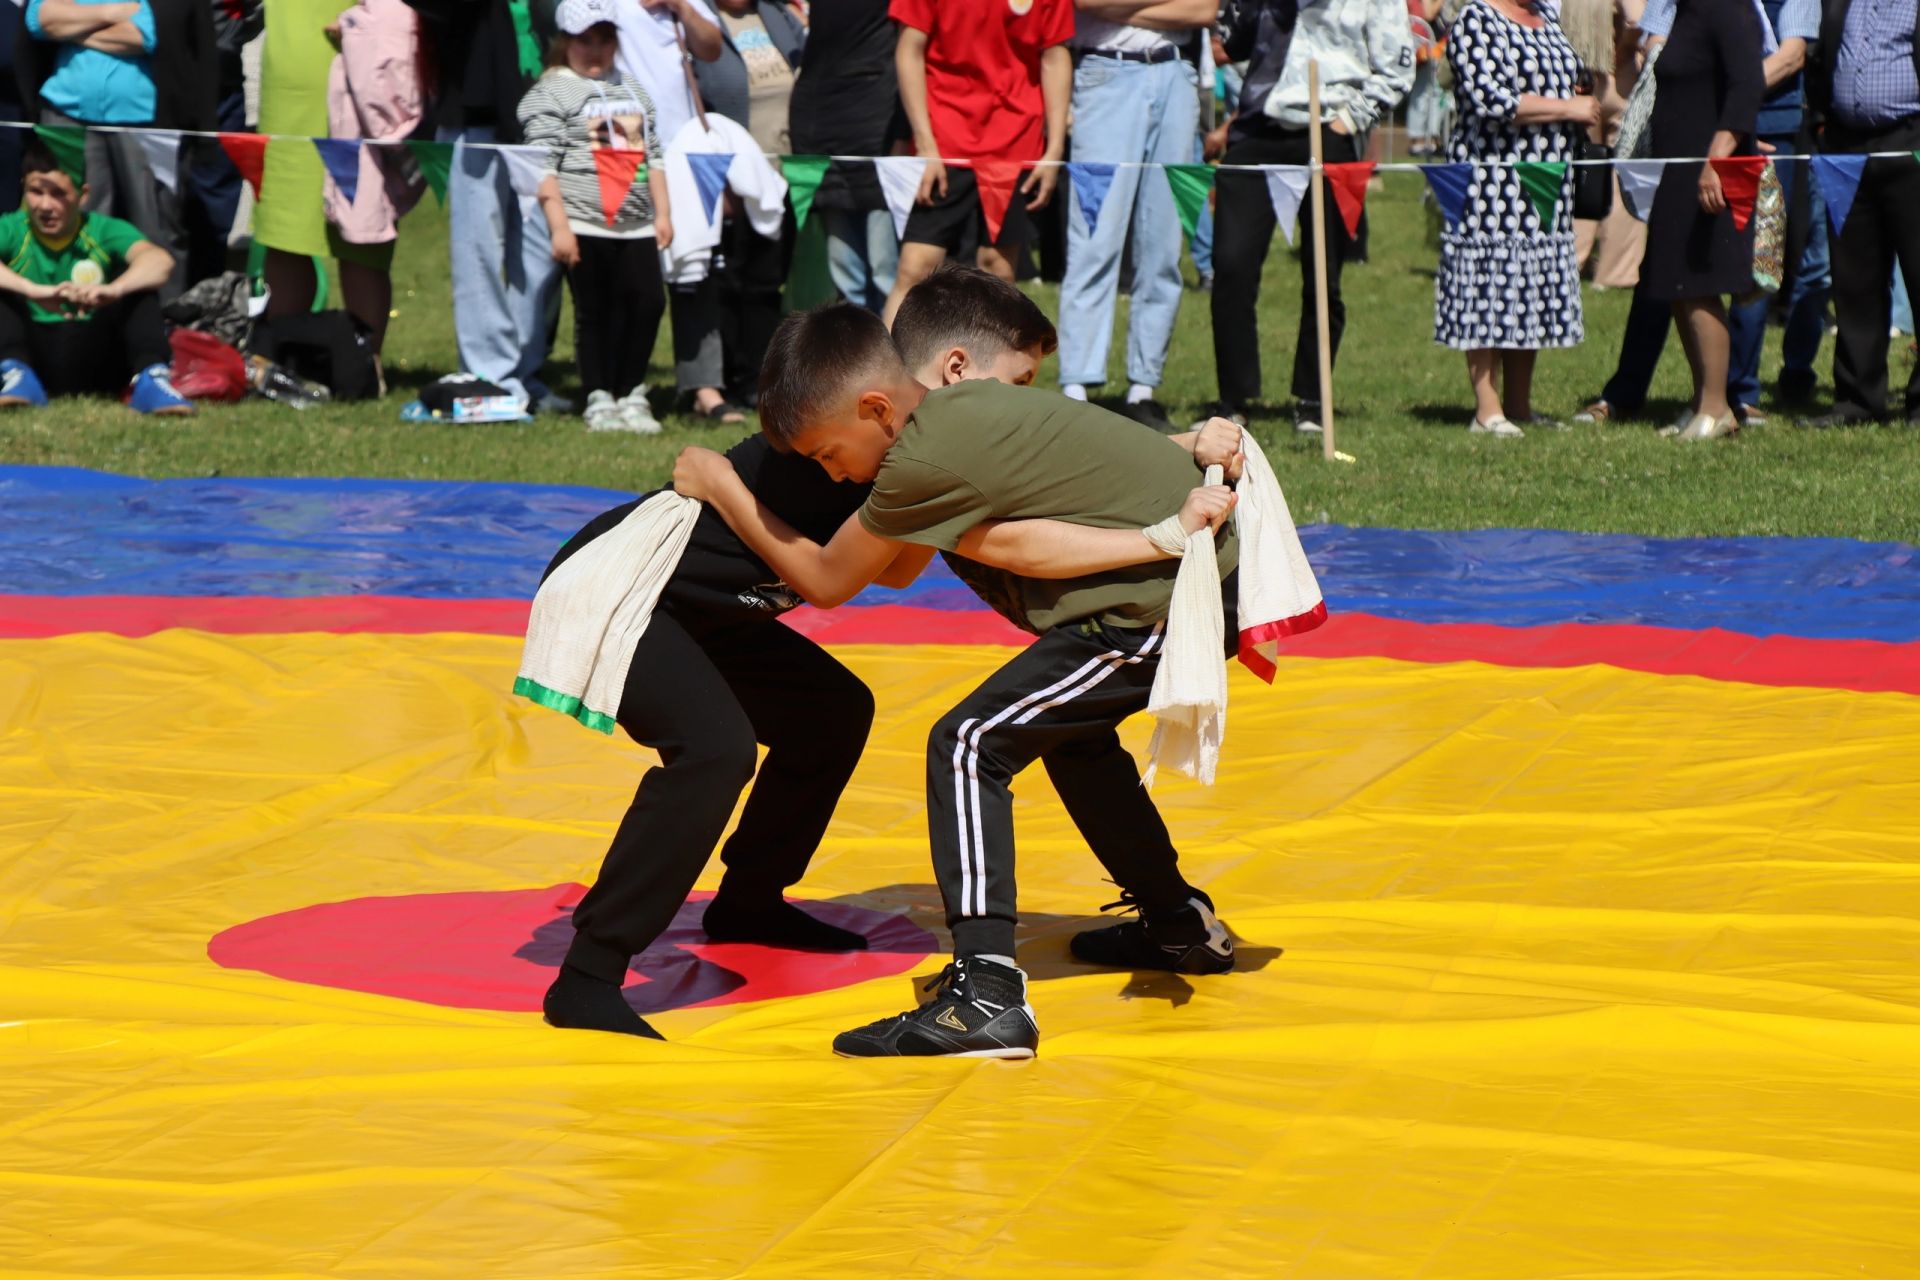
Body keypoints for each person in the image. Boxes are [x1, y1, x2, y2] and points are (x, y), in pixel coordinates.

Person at [533, 296, 1228, 1043]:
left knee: (831, 712)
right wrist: (724, 484)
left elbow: (919, 554)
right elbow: (841, 579)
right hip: (626, 586)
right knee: (715, 750)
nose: (1012, 407)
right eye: (1013, 386)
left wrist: (1183, 444)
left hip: (712, 609)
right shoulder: (883, 439)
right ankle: (588, 974)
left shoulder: (918, 449)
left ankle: (749, 902)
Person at [1204, 0, 1414, 435]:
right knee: (1232, 263)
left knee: (1323, 275)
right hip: (1257, 129)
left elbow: (1399, 68)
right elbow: (1232, 40)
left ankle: (1312, 398)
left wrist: (1347, 121)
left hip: (1329, 130)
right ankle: (1234, 399)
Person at [1435, 0, 1594, 437]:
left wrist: (1581, 96)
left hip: (1546, 179)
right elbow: (1491, 98)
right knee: (1487, 290)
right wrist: (1568, 110)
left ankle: (1520, 405)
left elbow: (1572, 75)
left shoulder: (1549, 14)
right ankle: (1488, 410)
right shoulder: (1475, 18)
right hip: (1490, 181)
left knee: (1530, 287)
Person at [1052, 0, 1211, 434]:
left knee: (1163, 246)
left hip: (1177, 75)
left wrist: (1121, 10)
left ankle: (1143, 389)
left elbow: (1206, 10)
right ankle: (1076, 385)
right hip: (1106, 72)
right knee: (1094, 236)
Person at [406, 0, 566, 412]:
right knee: (480, 254)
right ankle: (490, 377)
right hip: (475, 122)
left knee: (539, 253)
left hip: (534, 122)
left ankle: (522, 375)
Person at [522, 0, 672, 433]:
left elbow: (654, 153)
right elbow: (542, 164)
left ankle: (632, 391)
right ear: (565, 42)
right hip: (583, 222)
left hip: (637, 222)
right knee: (595, 311)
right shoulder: (552, 90)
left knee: (647, 302)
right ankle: (599, 394)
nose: (595, 50)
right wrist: (560, 226)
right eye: (585, 40)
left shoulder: (632, 88)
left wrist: (663, 211)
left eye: (605, 39)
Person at [880, 0, 1074, 323]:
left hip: (1014, 145)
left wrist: (1054, 150)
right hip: (943, 141)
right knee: (915, 268)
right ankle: (891, 375)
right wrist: (926, 143)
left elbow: (1055, 55)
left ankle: (993, 374)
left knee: (998, 271)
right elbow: (909, 49)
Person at [17, 0, 216, 300]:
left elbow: (148, 33)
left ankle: (164, 327)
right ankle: (77, 322)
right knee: (71, 224)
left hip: (147, 122)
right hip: (67, 113)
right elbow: (38, 20)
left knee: (155, 228)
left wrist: (71, 29)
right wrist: (111, 13)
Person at [1637, 0, 1762, 441]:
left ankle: (1717, 407)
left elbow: (1748, 85)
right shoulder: (1685, 10)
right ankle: (1699, 402)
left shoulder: (1729, 8)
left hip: (1711, 171)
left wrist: (1717, 157)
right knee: (1678, 286)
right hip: (1677, 171)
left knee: (1701, 285)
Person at [0, 136, 194, 415]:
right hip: (29, 353)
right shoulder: (12, 228)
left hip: (95, 353)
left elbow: (160, 261)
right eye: (36, 192)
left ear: (83, 195)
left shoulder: (103, 229)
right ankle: (15, 376)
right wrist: (30, 290)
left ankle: (151, 380)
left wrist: (113, 290)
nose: (45, 205)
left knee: (139, 287)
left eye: (58, 194)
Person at [1803, 0, 1920, 428]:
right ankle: (1857, 399)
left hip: (1912, 141)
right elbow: (1820, 55)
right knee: (1854, 280)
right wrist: (1819, 120)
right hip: (1846, 147)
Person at [681, 0, 802, 409]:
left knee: (768, 284)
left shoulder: (779, 17)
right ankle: (729, 380)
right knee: (730, 281)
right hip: (728, 175)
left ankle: (760, 379)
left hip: (787, 172)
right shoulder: (700, 21)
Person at [789, 0, 903, 312]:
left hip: (880, 134)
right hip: (825, 130)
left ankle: (895, 355)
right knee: (846, 274)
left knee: (886, 271)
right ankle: (858, 356)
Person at [1406, 0, 1448, 155]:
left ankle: (1431, 137)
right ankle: (1418, 139)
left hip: (1433, 44)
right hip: (1422, 45)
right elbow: (1428, 13)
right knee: (1423, 92)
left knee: (1436, 93)